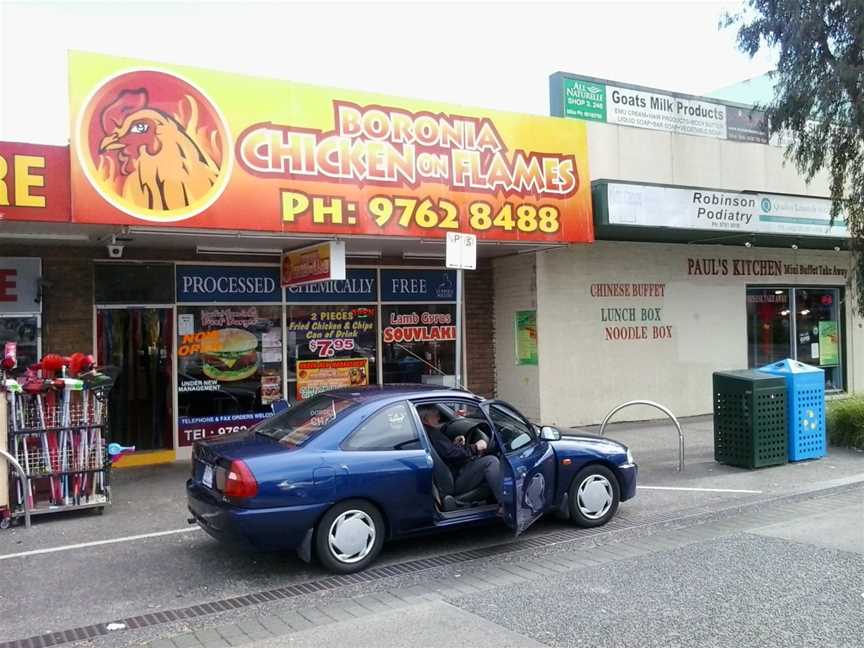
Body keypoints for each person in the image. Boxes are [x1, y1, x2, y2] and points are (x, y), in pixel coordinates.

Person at [418, 405, 503, 507]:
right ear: (425, 419)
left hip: (449, 473)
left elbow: (446, 452)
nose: (439, 418)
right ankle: (505, 505)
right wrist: (475, 447)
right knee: (491, 461)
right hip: (452, 479)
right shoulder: (432, 433)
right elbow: (451, 454)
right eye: (436, 415)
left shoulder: (424, 432)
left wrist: (454, 445)